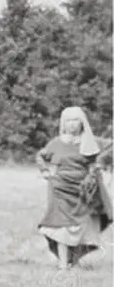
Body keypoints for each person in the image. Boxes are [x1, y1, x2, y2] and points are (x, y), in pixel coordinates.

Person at [35, 106, 112, 269]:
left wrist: (99, 164)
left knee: (80, 229)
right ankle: (63, 264)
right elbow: (41, 156)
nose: (72, 124)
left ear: (82, 122)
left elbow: (110, 147)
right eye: (68, 121)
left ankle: (73, 260)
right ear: (63, 123)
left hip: (83, 192)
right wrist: (45, 171)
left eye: (75, 120)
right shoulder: (56, 143)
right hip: (59, 190)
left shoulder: (91, 142)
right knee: (61, 228)